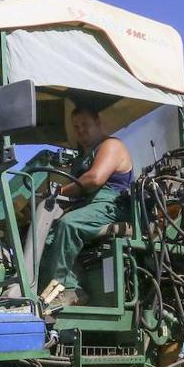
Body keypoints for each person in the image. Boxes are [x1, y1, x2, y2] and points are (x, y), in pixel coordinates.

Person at [38, 104, 133, 307]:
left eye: (85, 125)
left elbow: (95, 179)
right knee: (47, 237)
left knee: (69, 225)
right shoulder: (82, 157)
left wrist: (59, 192)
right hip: (89, 206)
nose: (80, 131)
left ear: (98, 123)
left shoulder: (111, 145)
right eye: (76, 127)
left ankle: (69, 291)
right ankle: (46, 293)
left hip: (111, 205)